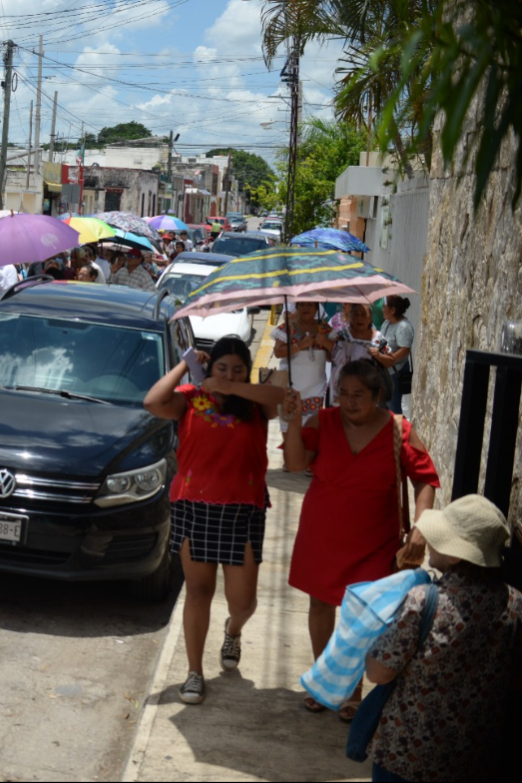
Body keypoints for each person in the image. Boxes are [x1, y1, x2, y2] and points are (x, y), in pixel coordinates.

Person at [284, 359, 439, 720]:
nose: (349, 402)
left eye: (358, 395)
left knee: (362, 615)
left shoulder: (398, 430)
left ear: (378, 395)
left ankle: (351, 690)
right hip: (322, 533)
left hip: (375, 539)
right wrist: (292, 421)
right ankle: (326, 685)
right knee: (321, 605)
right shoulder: (322, 422)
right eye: (343, 393)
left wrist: (420, 527)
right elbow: (294, 463)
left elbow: (426, 480)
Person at [143, 336, 285, 705]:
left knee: (243, 602)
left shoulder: (255, 403)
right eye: (222, 367)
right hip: (196, 506)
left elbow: (280, 397)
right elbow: (153, 401)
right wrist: (185, 364)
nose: (229, 374)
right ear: (210, 367)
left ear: (247, 371)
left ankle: (233, 631)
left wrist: (233, 385)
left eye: (238, 368)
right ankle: (193, 673)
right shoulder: (190, 398)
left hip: (243, 509)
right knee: (199, 592)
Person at [364, 496, 522, 783]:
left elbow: (378, 672)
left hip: (406, 759)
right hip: (475, 760)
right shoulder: (517, 605)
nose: (429, 541)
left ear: (455, 555)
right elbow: (517, 680)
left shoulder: (423, 601)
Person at [274, 302, 335, 430]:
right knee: (290, 431)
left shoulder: (324, 329)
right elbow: (278, 352)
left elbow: (335, 354)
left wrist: (324, 342)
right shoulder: (287, 328)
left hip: (316, 389)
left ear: (316, 308)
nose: (305, 308)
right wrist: (300, 345)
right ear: (296, 308)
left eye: (310, 305)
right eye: (301, 305)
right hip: (291, 389)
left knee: (312, 432)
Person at [329, 302, 381, 407]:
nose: (359, 318)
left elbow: (391, 360)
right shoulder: (341, 335)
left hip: (365, 387)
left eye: (363, 315)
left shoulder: (378, 338)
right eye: (356, 314)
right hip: (340, 388)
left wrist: (379, 356)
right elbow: (329, 355)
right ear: (351, 317)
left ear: (370, 318)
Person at [371, 295, 414, 416]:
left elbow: (405, 349)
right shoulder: (387, 323)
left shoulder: (403, 327)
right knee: (382, 407)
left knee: (393, 408)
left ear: (393, 310)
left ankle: (398, 433)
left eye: (384, 306)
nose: (382, 309)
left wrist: (391, 359)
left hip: (395, 372)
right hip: (385, 371)